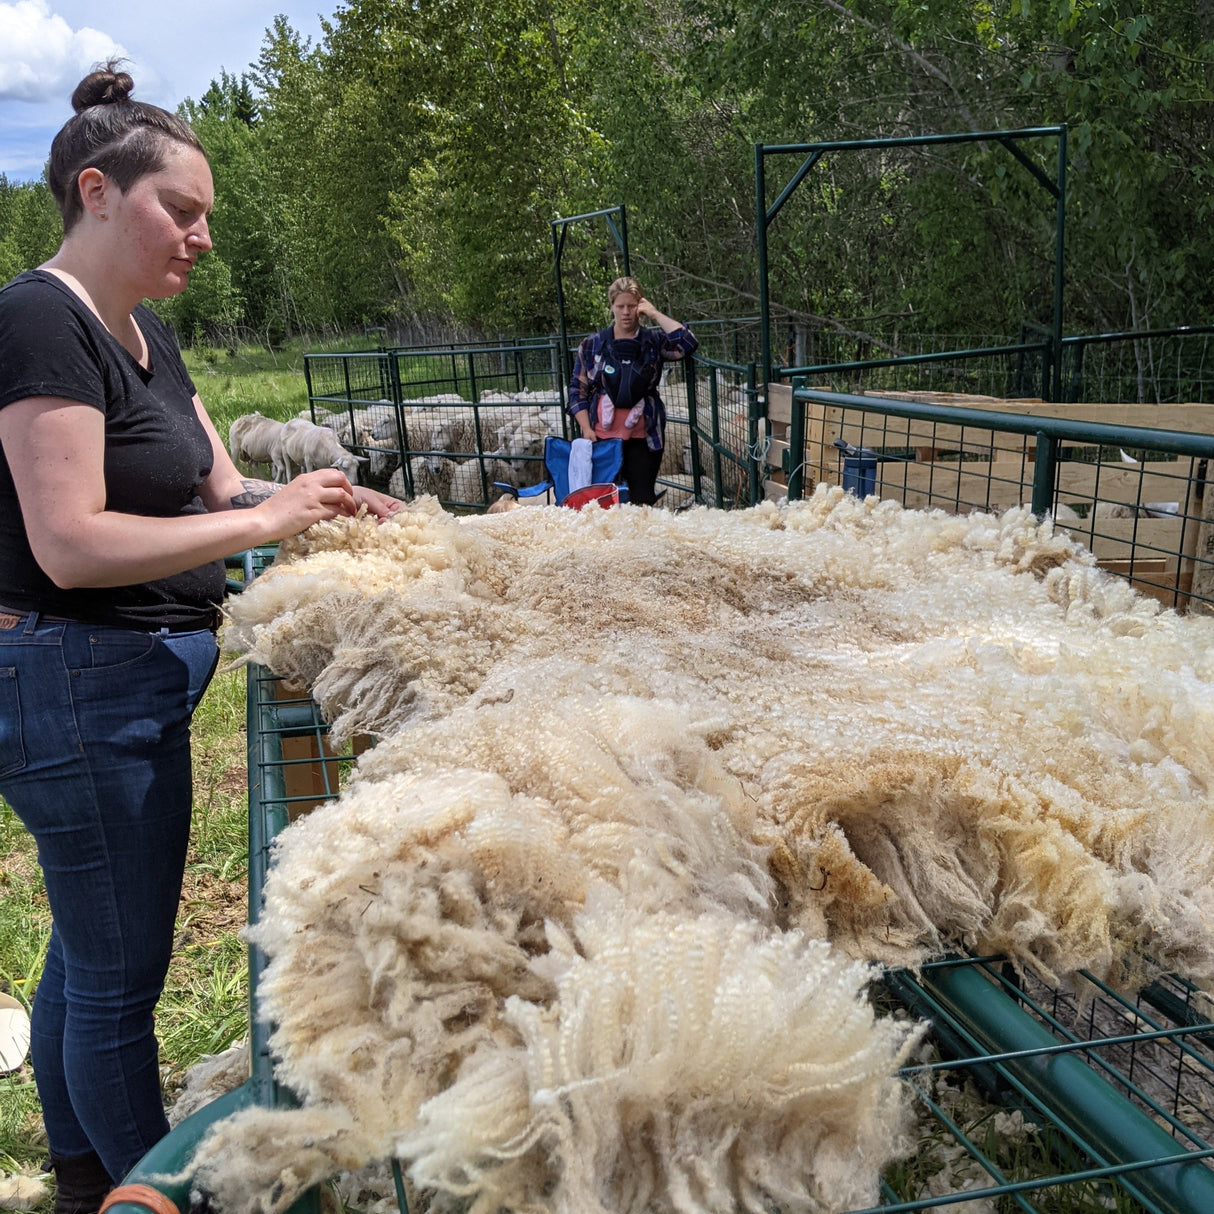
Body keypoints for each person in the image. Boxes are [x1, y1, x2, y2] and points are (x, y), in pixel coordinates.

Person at [0, 64, 399, 1214]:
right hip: (77, 682)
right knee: (124, 982)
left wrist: (307, 495)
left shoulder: (144, 337)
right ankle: (155, 1191)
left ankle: (84, 1177)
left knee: (90, 948)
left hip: (128, 684)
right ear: (98, 192)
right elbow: (68, 540)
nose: (206, 236)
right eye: (185, 208)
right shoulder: (39, 322)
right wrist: (261, 521)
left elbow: (218, 487)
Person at [568, 276, 697, 505]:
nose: (626, 312)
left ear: (640, 306)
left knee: (641, 500)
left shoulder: (654, 341)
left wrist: (655, 314)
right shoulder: (591, 345)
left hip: (644, 436)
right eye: (620, 306)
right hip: (601, 437)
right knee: (603, 502)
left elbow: (686, 343)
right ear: (612, 307)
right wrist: (586, 428)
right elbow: (578, 389)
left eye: (632, 305)